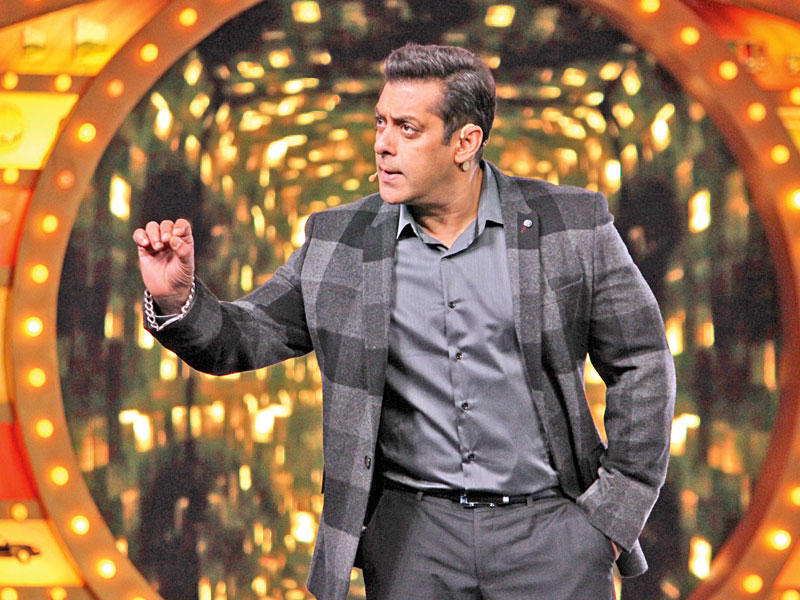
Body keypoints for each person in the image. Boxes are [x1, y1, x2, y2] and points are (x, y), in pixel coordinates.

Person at [133, 43, 675, 600]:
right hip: (412, 542)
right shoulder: (339, 242)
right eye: (381, 123)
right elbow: (241, 339)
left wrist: (610, 519)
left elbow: (642, 361)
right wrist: (178, 298)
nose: (383, 145)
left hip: (552, 535)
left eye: (407, 129)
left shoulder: (572, 225)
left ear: (465, 142)